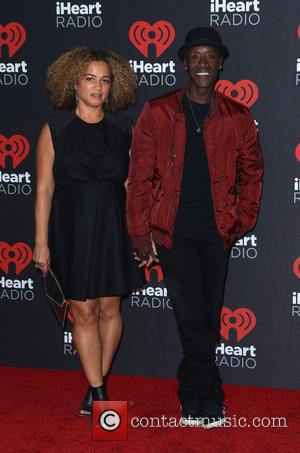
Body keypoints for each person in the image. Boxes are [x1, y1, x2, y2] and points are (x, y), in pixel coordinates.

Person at [127, 27, 263, 429]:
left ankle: (194, 388)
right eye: (196, 56)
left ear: (220, 64)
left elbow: (253, 171)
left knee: (206, 315)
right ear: (185, 62)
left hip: (218, 231)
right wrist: (140, 233)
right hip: (173, 232)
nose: (203, 63)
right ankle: (203, 398)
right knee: (190, 317)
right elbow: (140, 175)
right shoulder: (158, 111)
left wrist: (242, 219)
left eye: (210, 56)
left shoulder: (237, 116)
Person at [33, 47, 144, 417]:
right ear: (74, 82)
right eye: (90, 79)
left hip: (114, 227)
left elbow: (131, 184)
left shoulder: (125, 127)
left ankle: (95, 380)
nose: (98, 87)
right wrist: (41, 242)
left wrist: (141, 232)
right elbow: (45, 189)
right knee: (83, 311)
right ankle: (98, 392)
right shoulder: (55, 129)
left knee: (110, 309)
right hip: (71, 229)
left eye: (105, 80)